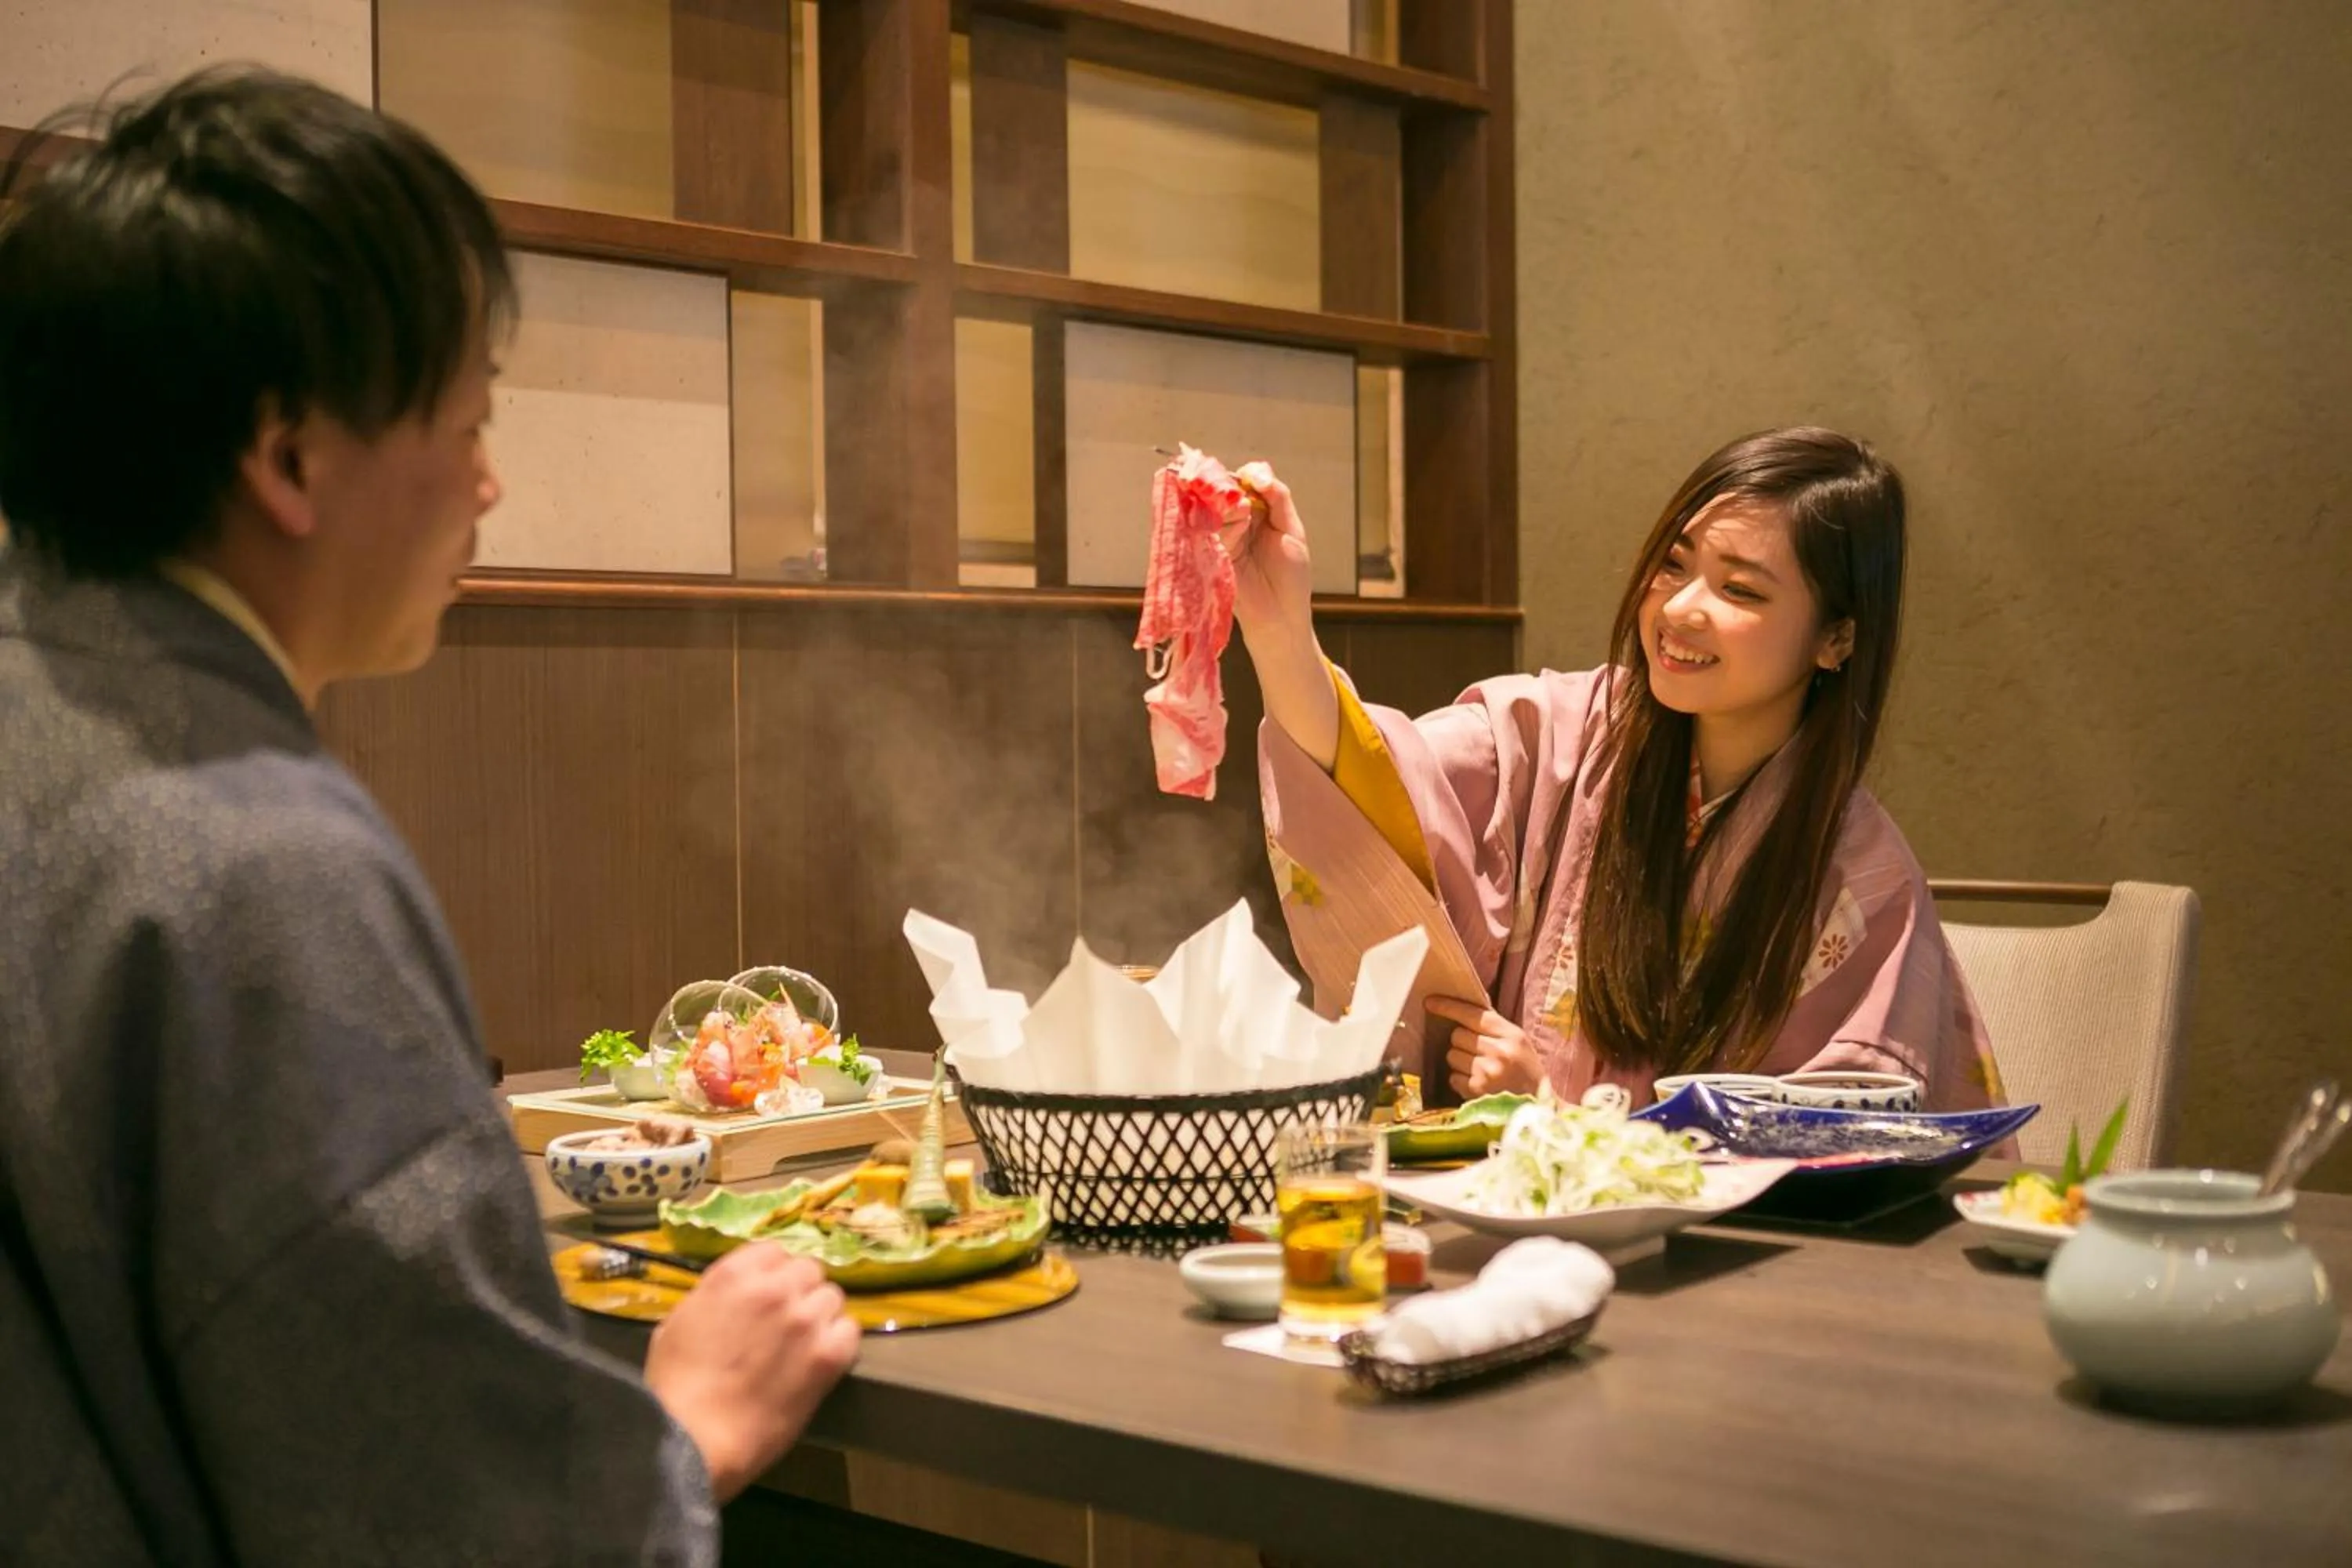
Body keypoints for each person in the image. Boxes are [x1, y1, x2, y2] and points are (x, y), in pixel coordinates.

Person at [0, 68, 857, 1566]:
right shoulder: (254, 852)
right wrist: (685, 1436)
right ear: (288, 460)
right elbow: (432, 1501)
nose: (489, 482)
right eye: (462, 423)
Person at [1239, 427, 2002, 1111]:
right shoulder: (1554, 735)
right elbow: (1376, 787)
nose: (1680, 609)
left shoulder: (1863, 878)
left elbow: (1836, 1151)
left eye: (1740, 588)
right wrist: (1278, 627)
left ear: (1835, 638)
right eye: (1674, 565)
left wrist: (1547, 1112)